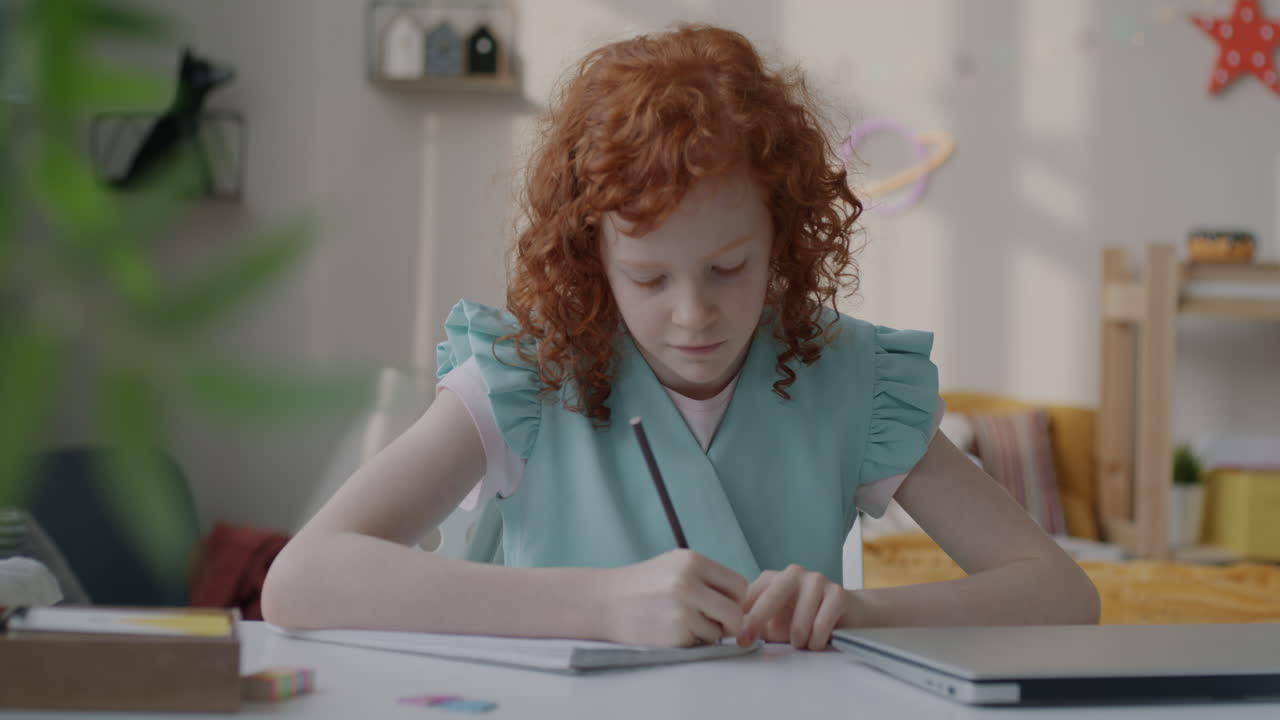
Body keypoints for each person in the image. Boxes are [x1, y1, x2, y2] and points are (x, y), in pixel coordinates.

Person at [262, 23, 1099, 650]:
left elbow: (1062, 594)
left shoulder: (852, 377)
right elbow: (301, 579)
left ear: (785, 238)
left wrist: (861, 610)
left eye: (729, 269)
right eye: (649, 279)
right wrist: (595, 605)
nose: (693, 315)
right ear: (593, 255)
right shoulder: (526, 372)